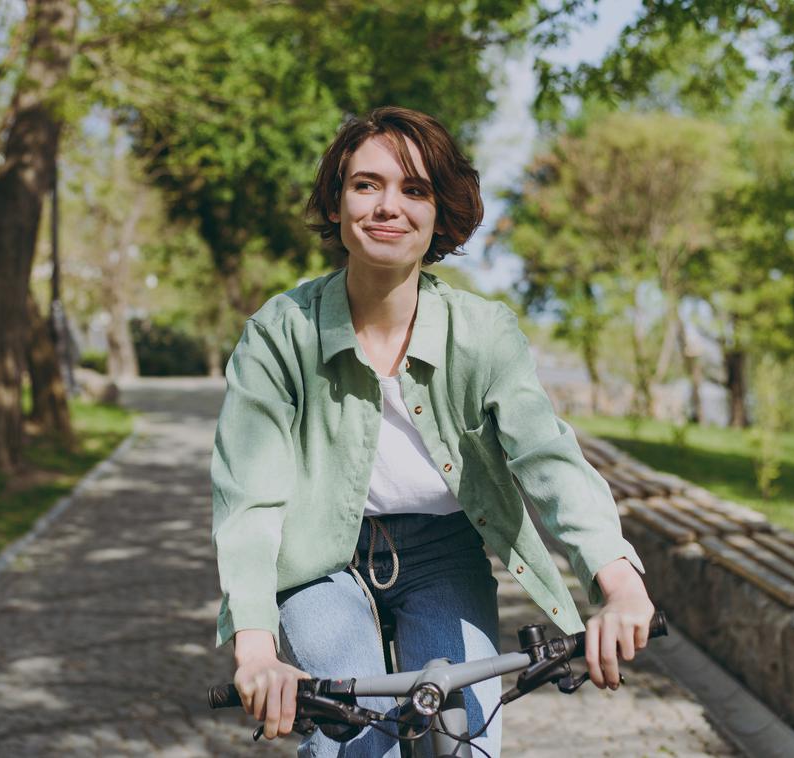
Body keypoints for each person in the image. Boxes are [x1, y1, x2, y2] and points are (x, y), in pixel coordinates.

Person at [210, 106, 655, 758]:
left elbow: (548, 459)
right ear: (336, 204)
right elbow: (248, 500)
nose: (388, 206)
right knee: (362, 736)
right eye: (366, 185)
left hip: (443, 553)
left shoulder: (484, 334)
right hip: (317, 562)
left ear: (439, 214)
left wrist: (621, 588)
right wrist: (255, 650)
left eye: (414, 189)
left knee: (463, 742)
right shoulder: (280, 334)